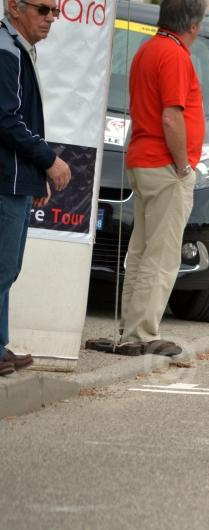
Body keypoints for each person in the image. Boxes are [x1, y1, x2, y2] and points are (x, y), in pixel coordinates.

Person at [118, 0, 207, 356]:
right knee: (162, 255)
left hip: (143, 157)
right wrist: (183, 165)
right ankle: (142, 333)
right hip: (165, 164)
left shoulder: (148, 49)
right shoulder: (174, 55)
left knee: (141, 251)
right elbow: (172, 117)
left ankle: (129, 328)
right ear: (194, 25)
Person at [0, 0, 72, 375]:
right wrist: (48, 160)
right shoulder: (6, 49)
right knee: (2, 268)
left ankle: (0, 346)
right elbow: (6, 120)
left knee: (7, 269)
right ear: (15, 7)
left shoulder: (17, 47)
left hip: (15, 178)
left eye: (55, 12)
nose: (51, 19)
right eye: (44, 10)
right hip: (4, 182)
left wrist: (35, 175)